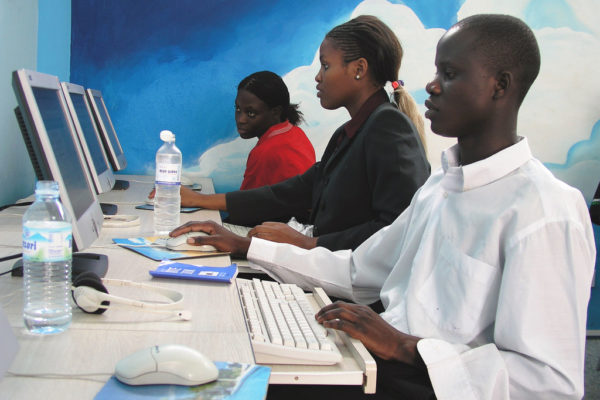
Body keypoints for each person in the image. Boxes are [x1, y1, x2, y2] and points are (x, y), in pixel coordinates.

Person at [170, 14, 596, 399]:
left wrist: (407, 347)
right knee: (223, 354)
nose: (430, 85)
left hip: (420, 381)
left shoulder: (545, 211)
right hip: (383, 363)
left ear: (499, 85)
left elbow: (551, 382)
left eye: (449, 74)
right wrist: (249, 249)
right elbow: (358, 271)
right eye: (436, 72)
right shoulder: (439, 190)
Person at [158, 15, 431, 252]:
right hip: (324, 267)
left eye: (326, 66)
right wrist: (200, 200)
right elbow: (290, 192)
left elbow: (398, 229)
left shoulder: (388, 128)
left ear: (359, 69)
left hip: (356, 296)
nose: (318, 77)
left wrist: (308, 244)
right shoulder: (348, 134)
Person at [235, 71, 315, 190]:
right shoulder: (296, 133)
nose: (241, 119)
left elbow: (243, 204)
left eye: (251, 113)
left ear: (276, 112)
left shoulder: (265, 152)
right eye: (237, 108)